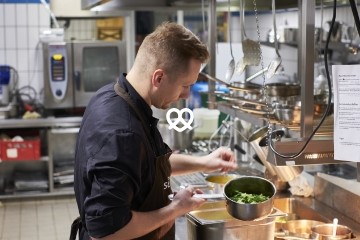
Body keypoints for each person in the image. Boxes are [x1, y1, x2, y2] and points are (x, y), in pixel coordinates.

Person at [72, 22, 238, 240]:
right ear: (158, 78)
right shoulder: (123, 134)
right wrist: (175, 209)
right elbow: (104, 233)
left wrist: (205, 162)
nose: (187, 95)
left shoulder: (114, 95)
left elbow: (146, 164)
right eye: (185, 85)